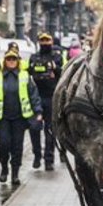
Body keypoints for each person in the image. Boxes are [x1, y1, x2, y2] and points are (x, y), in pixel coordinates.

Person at [0, 47, 42, 186]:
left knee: (17, 146)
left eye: (14, 59)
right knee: (4, 144)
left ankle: (15, 173)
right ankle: (4, 168)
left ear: (18, 61)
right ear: (4, 61)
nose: (11, 61)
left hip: (19, 118)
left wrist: (38, 112)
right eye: (9, 59)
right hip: (2, 117)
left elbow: (33, 94)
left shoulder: (25, 76)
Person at [28, 32, 62, 170]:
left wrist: (54, 67)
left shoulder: (57, 57)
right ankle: (37, 155)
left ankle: (49, 159)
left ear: (52, 42)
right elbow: (29, 72)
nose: (45, 43)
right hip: (36, 96)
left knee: (50, 130)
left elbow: (61, 73)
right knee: (34, 128)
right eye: (42, 40)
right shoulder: (34, 57)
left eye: (47, 40)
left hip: (51, 97)